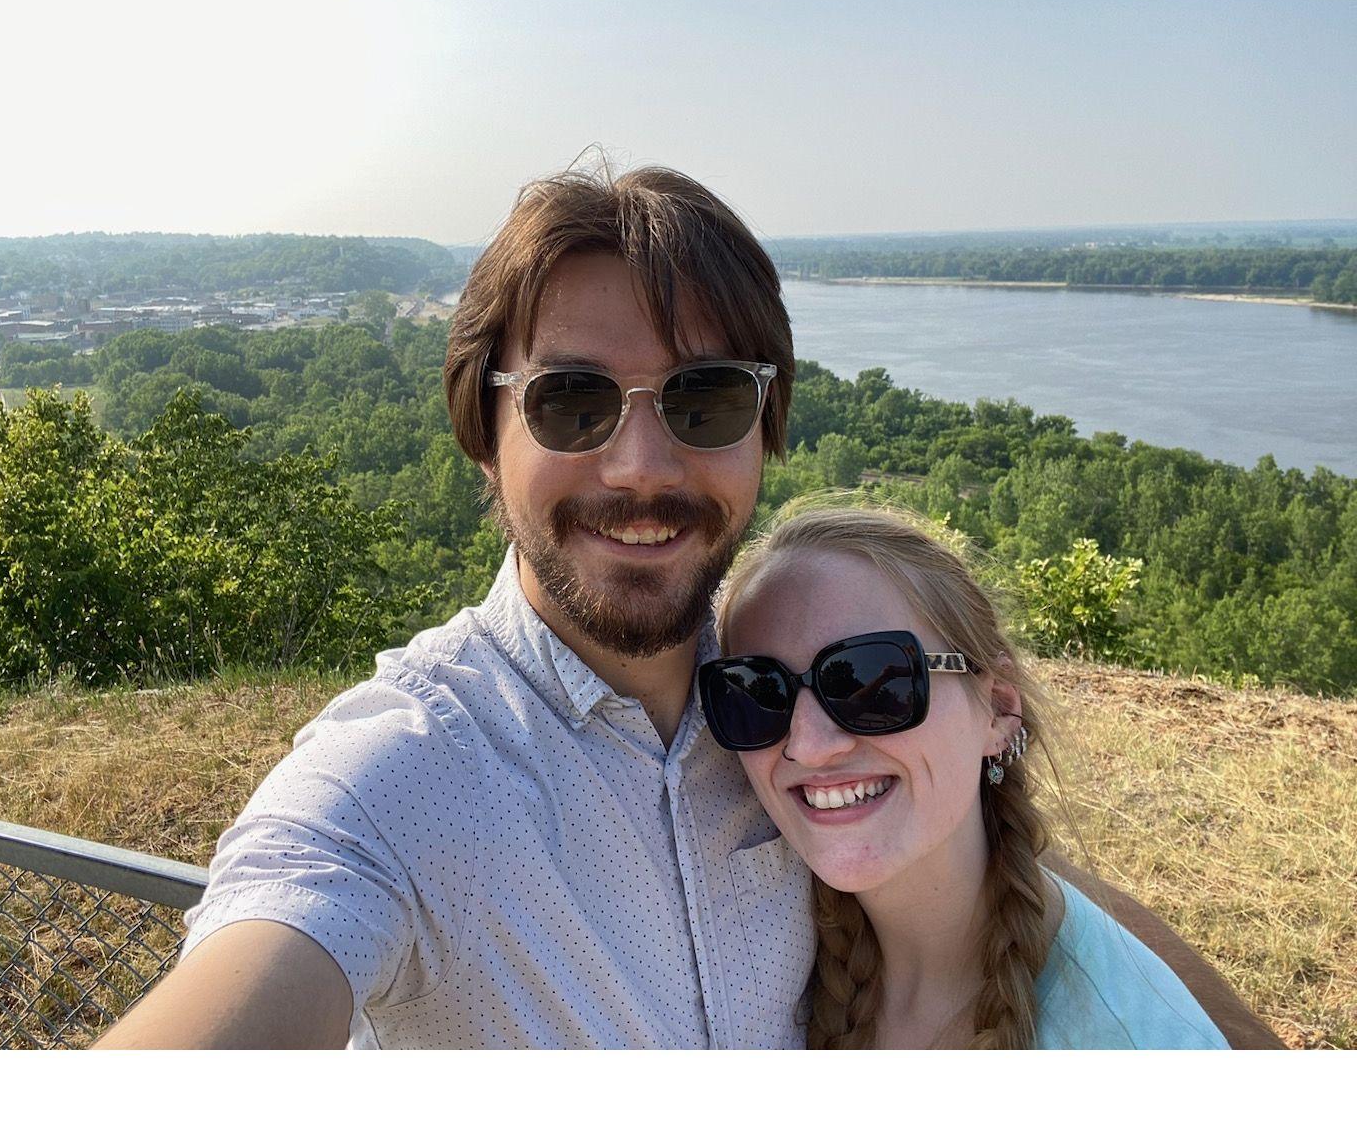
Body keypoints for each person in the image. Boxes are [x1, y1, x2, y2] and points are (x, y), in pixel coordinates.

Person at [95, 161, 1277, 1049]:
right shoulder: (402, 777)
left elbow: (989, 873)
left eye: (703, 399)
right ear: (482, 432)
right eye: (571, 402)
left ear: (765, 430)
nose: (641, 466)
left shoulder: (779, 707)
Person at [702, 501, 1229, 1048]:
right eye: (756, 693)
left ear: (998, 709)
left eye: (871, 682)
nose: (809, 746)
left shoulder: (1137, 1042)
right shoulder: (761, 964)